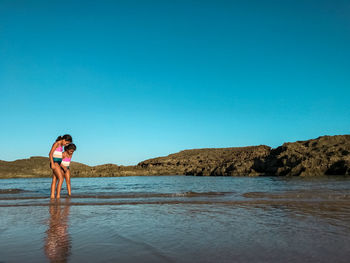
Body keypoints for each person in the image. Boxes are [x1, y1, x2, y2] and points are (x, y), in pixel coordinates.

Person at [49, 134, 73, 198]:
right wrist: (52, 163)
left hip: (58, 163)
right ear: (63, 140)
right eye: (66, 143)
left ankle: (52, 195)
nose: (66, 144)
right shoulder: (56, 143)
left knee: (55, 179)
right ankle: (58, 195)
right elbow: (50, 154)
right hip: (55, 162)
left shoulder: (61, 146)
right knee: (61, 178)